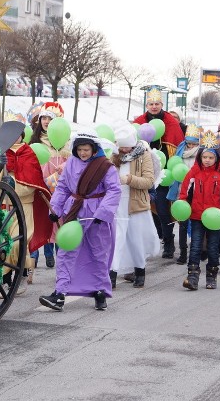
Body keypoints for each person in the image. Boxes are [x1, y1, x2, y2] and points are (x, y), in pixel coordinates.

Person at [40, 132, 121, 311]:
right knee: (66, 251)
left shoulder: (106, 167)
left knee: (98, 253)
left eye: (86, 149)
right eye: (79, 149)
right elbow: (62, 187)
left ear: (94, 149)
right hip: (74, 211)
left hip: (96, 215)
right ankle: (59, 293)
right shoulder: (70, 163)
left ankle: (100, 292)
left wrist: (103, 213)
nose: (83, 153)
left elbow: (114, 191)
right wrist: (55, 209)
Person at [0, 115, 52, 296]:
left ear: (22, 135)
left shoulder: (28, 153)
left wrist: (12, 185)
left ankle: (19, 275)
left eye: (17, 135)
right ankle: (5, 281)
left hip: (21, 207)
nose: (14, 139)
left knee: (16, 244)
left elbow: (32, 185)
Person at [178, 131, 220, 290]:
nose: (207, 160)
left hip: (215, 218)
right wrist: (182, 208)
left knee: (213, 247)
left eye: (211, 157)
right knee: (195, 245)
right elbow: (184, 193)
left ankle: (212, 275)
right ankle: (193, 276)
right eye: (205, 157)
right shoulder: (193, 173)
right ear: (200, 157)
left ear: (216, 158)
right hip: (196, 216)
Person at [132, 87, 183, 258]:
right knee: (142, 210)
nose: (154, 106)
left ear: (162, 104)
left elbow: (176, 147)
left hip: (163, 174)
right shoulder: (139, 122)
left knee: (162, 210)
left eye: (157, 103)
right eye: (151, 104)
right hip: (141, 172)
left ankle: (168, 241)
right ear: (147, 105)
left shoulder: (171, 122)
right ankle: (147, 244)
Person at [110, 126, 159, 288]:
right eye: (121, 146)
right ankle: (112, 275)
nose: (123, 150)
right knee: (116, 240)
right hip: (117, 205)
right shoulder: (114, 156)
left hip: (136, 204)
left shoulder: (144, 155)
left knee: (136, 240)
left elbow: (148, 181)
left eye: (126, 146)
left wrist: (129, 179)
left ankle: (140, 271)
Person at [30, 101, 69, 268]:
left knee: (59, 222)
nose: (46, 121)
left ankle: (62, 263)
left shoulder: (65, 142)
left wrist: (64, 168)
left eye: (50, 118)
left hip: (59, 188)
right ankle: (32, 264)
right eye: (43, 118)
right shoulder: (34, 140)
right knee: (40, 221)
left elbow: (73, 162)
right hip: (40, 186)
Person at [166, 123, 201, 264]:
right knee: (182, 223)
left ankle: (197, 250)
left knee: (197, 223)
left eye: (193, 144)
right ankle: (183, 252)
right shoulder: (180, 151)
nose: (190, 147)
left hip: (197, 192)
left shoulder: (201, 154)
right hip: (182, 191)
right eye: (189, 143)